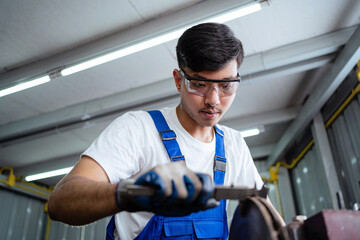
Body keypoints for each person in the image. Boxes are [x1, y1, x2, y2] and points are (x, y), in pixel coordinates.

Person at [48, 22, 285, 239]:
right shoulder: (138, 129)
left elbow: (269, 222)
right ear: (178, 80)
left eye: (226, 86)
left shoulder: (234, 144)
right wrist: (129, 194)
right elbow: (59, 203)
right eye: (200, 85)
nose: (214, 100)